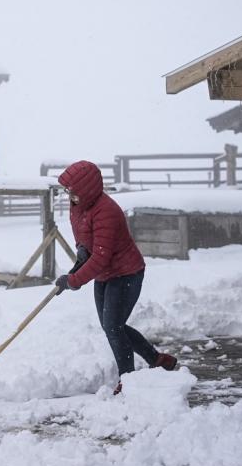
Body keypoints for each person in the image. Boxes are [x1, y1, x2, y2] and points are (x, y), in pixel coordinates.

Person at [54, 160, 177, 394]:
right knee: (112, 326)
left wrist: (74, 280)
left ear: (87, 189)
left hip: (126, 272)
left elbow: (101, 257)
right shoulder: (77, 205)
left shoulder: (107, 211)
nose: (69, 195)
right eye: (67, 191)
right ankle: (156, 359)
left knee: (113, 326)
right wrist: (81, 249)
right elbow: (83, 236)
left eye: (73, 191)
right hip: (104, 273)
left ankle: (128, 380)